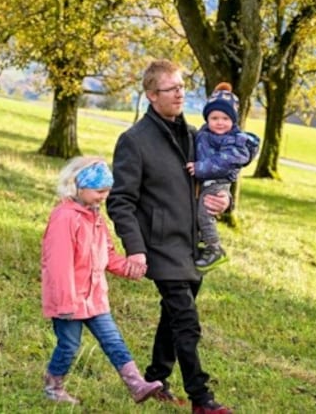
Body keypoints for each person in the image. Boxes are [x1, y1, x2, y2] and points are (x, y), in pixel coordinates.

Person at [106, 60, 234, 414]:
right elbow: (121, 201)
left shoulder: (196, 136)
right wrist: (136, 250)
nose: (180, 93)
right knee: (187, 322)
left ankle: (156, 379)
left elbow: (211, 180)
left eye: (181, 86)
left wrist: (223, 200)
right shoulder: (134, 141)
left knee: (173, 317)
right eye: (170, 88)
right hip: (159, 247)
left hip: (190, 245)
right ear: (151, 95)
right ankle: (201, 399)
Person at [40, 157, 163, 405]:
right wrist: (66, 302)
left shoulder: (94, 217)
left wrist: (129, 268)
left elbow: (107, 255)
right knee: (69, 345)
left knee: (113, 340)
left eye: (107, 191)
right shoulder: (65, 218)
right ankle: (53, 386)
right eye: (99, 191)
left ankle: (136, 384)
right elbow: (58, 264)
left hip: (94, 296)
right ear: (79, 187)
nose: (103, 197)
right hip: (70, 300)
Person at [186, 82, 260, 271]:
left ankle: (214, 248)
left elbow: (224, 161)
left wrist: (200, 167)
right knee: (198, 212)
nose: (220, 122)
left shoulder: (234, 140)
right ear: (207, 118)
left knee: (204, 212)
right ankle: (203, 241)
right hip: (207, 181)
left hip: (217, 183)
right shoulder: (205, 132)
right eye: (214, 117)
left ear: (233, 121)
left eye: (225, 118)